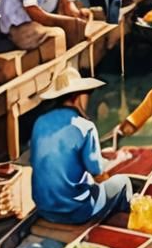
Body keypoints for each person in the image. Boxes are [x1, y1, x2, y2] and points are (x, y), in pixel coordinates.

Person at [30, 67, 132, 224]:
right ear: (78, 97)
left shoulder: (39, 122)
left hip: (44, 209)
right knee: (123, 182)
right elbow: (98, 176)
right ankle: (124, 224)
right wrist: (114, 167)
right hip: (76, 211)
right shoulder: (85, 126)